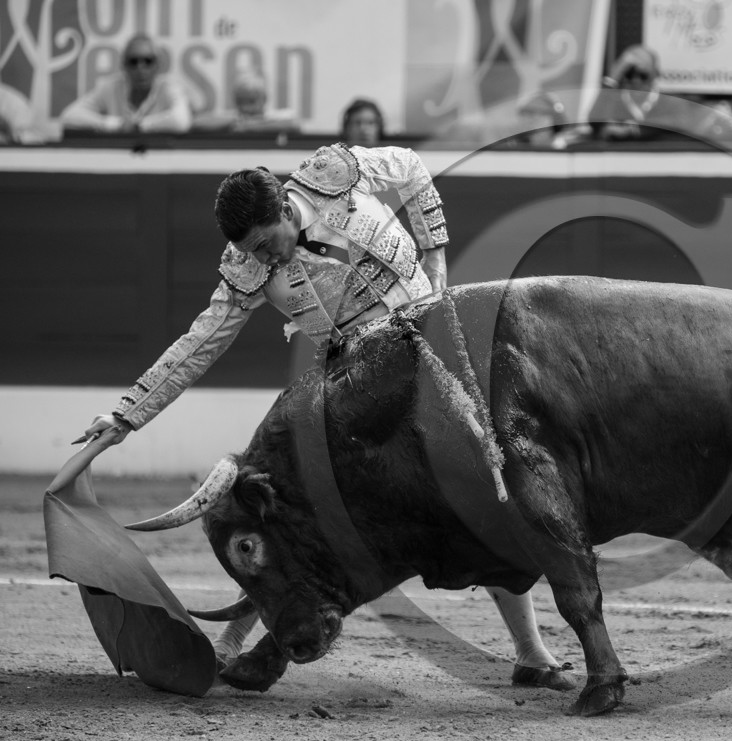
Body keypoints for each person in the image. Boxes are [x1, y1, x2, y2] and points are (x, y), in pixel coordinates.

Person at [75, 142, 571, 691]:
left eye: (266, 245)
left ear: (285, 211)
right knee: (294, 514)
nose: (265, 260)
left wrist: (434, 253)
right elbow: (199, 344)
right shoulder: (247, 267)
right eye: (253, 253)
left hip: (437, 358)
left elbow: (409, 165)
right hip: (359, 388)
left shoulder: (333, 174)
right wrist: (125, 417)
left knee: (481, 484)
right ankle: (235, 641)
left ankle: (531, 651)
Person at [60, 33, 191, 133]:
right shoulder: (111, 87)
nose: (141, 68)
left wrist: (139, 125)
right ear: (124, 66)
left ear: (158, 65)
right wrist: (116, 124)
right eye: (133, 62)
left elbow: (181, 121)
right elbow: (69, 117)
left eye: (148, 61)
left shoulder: (169, 88)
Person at [586, 45, 704, 141]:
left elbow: (679, 121)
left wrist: (631, 130)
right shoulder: (615, 101)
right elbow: (595, 123)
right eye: (629, 73)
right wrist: (612, 79)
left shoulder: (670, 102)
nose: (635, 80)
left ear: (655, 74)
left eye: (643, 75)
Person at [191, 70, 299, 134]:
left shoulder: (273, 116)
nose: (246, 108)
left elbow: (293, 123)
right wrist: (235, 122)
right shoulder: (234, 118)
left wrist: (250, 126)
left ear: (264, 99)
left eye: (251, 101)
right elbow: (197, 123)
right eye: (241, 101)